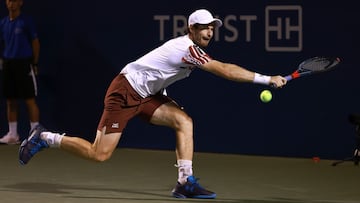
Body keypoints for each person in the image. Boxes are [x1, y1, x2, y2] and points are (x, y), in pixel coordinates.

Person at [18, 9, 287, 199]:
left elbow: (159, 72)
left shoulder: (193, 50)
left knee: (184, 121)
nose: (209, 32)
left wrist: (158, 89)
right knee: (98, 154)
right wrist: (266, 79)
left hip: (146, 94)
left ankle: (185, 183)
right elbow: (226, 71)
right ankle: (44, 136)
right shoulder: (188, 49)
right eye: (204, 27)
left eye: (211, 27)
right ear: (190, 29)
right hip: (125, 91)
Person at [0, 0, 41, 144]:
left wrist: (34, 62)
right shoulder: (3, 23)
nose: (12, 4)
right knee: (10, 100)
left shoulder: (26, 22)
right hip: (8, 64)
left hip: (24, 64)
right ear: (6, 3)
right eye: (9, 1)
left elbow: (35, 43)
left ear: (20, 3)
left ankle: (35, 134)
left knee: (29, 99)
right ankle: (12, 134)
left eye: (15, 1)